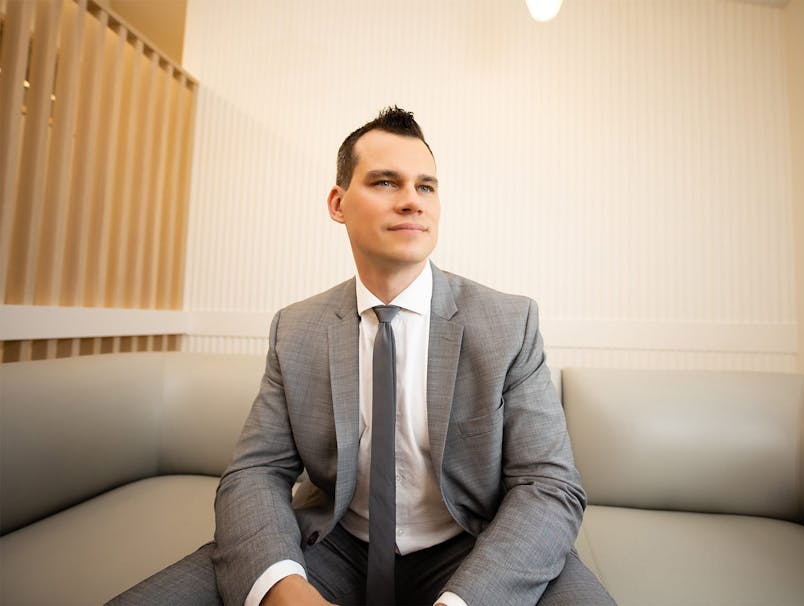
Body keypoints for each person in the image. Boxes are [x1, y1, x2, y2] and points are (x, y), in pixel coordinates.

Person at [110, 107, 615, 606]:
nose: (412, 202)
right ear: (338, 202)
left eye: (426, 186)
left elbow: (548, 485)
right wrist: (284, 591)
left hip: (474, 549)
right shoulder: (297, 329)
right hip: (334, 548)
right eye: (385, 182)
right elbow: (255, 472)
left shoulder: (509, 323)